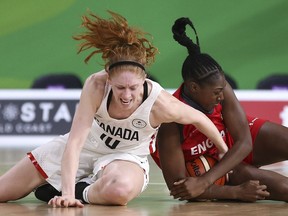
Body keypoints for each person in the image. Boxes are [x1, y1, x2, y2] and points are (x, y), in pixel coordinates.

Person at [0, 11, 228, 208]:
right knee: (3, 193)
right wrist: (66, 198)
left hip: (126, 157)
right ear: (108, 78)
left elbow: (200, 119)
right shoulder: (95, 85)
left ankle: (80, 190)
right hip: (87, 148)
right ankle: (68, 187)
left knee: (119, 193)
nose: (126, 95)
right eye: (120, 87)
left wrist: (223, 150)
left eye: (133, 88)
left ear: (144, 80)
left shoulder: (159, 103)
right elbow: (76, 142)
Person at [151, 17, 288, 202]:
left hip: (233, 147)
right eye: (216, 93)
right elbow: (180, 186)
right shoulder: (170, 120)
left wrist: (205, 181)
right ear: (193, 88)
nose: (222, 96)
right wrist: (234, 192)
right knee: (285, 189)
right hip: (219, 167)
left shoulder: (219, 85)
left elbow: (245, 142)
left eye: (223, 90)